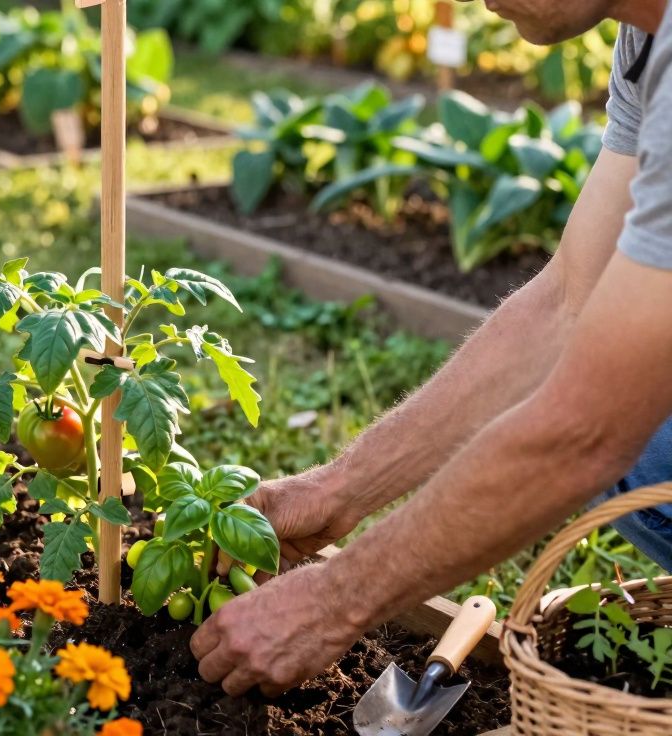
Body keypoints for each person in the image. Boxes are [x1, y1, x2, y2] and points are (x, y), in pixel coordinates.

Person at [191, 0, 672, 697]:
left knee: (633, 413)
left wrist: (335, 600)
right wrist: (343, 487)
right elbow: (568, 299)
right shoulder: (646, 38)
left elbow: (585, 431)